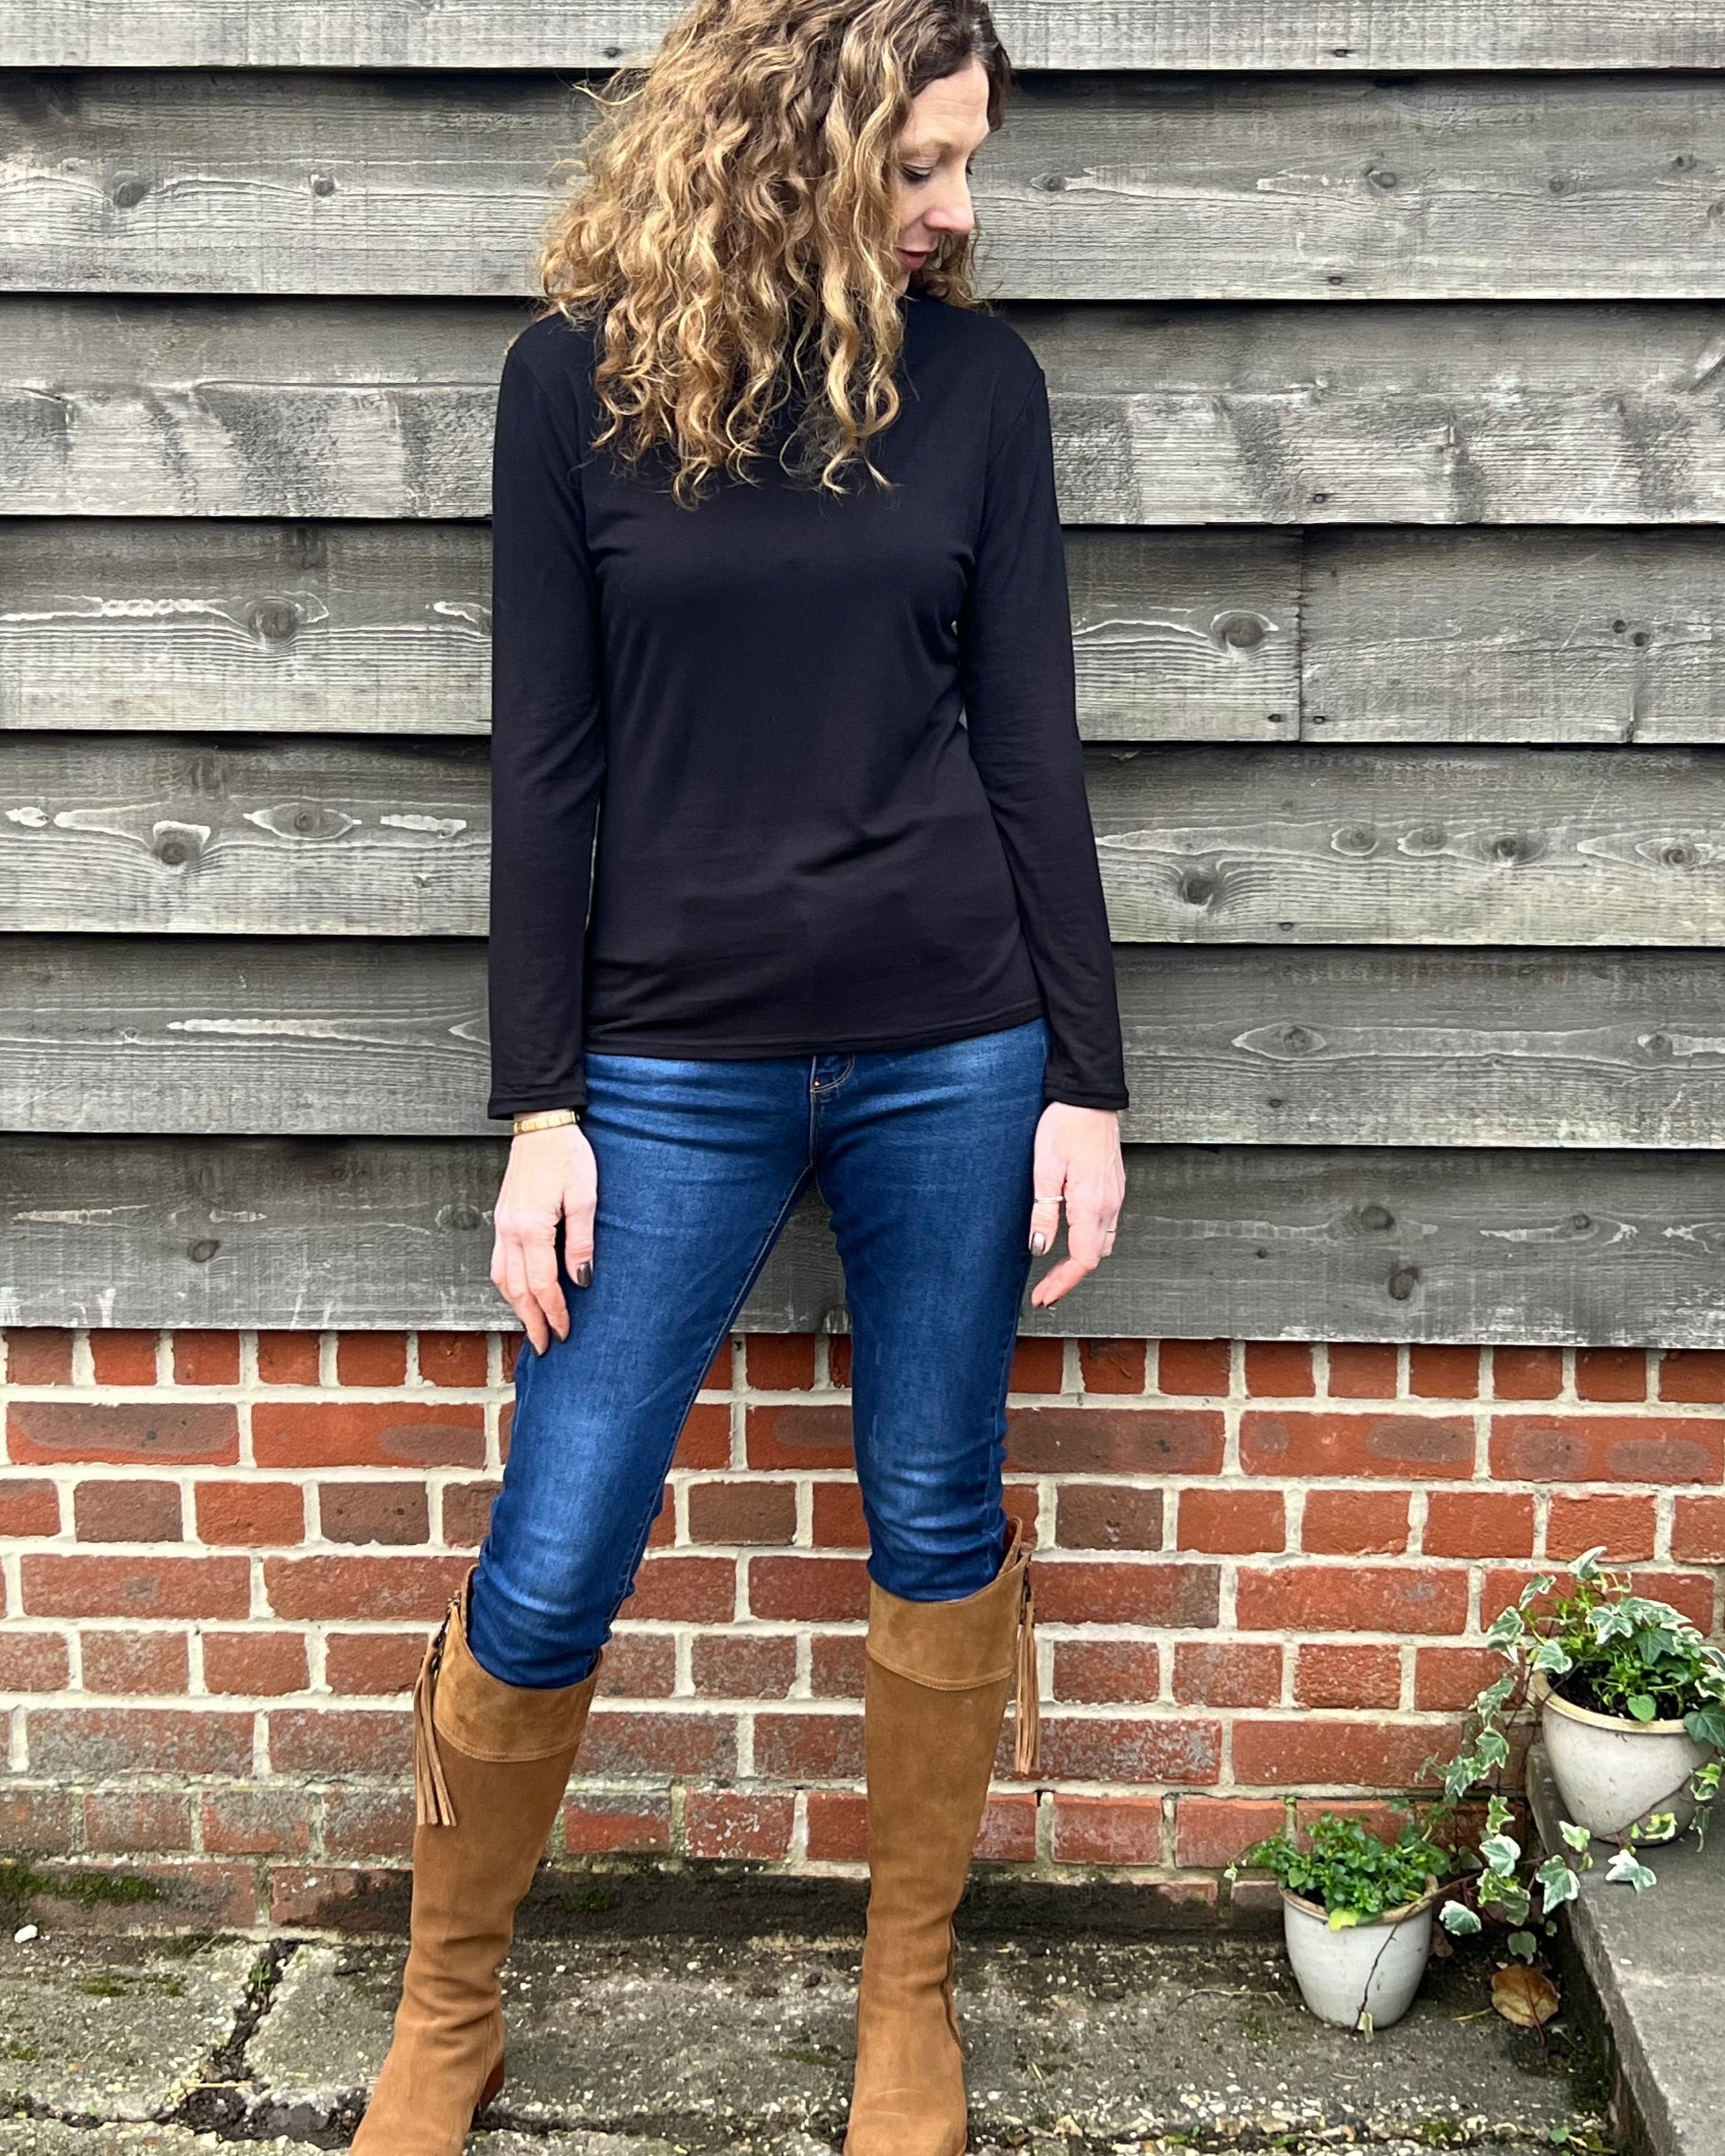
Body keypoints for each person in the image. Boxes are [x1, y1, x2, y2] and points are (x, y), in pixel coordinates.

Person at [351, 3, 1127, 2151]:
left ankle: (904, 2009)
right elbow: (543, 770)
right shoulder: (569, 394)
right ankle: (446, 2016)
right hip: (666, 1063)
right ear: (791, 143)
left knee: (936, 1509)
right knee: (556, 1542)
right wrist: (537, 1105)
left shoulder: (979, 391)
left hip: (951, 1048)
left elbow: (1033, 745)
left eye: (970, 164)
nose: (959, 211)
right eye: (921, 165)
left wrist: (1086, 1075)